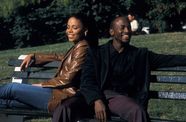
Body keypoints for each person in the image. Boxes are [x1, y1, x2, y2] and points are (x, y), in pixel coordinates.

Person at [52, 15, 186, 122]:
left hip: (119, 99)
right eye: (122, 28)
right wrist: (97, 100)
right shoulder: (97, 53)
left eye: (128, 27)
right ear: (112, 31)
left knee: (137, 111)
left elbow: (169, 59)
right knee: (63, 109)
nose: (127, 31)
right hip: (94, 96)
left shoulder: (140, 55)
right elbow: (87, 81)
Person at [0, 14, 98, 114]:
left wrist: (42, 85)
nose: (69, 31)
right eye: (68, 27)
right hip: (58, 94)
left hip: (62, 97)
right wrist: (34, 56)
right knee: (5, 103)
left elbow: (68, 78)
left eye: (75, 28)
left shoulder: (83, 47)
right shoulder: (78, 46)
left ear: (85, 30)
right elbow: (60, 57)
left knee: (11, 88)